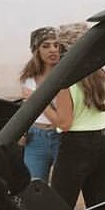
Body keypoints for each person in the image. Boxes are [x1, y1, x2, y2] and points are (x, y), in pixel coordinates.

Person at [47, 56, 105, 210]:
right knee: (98, 207)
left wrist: (44, 106)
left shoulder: (67, 85)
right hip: (104, 142)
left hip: (75, 145)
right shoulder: (104, 79)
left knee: (60, 206)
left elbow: (64, 124)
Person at [18, 27, 62, 180]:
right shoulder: (28, 79)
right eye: (46, 46)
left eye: (56, 45)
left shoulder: (65, 76)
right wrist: (22, 132)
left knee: (63, 187)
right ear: (36, 50)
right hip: (35, 137)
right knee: (33, 185)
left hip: (62, 137)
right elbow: (26, 110)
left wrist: (36, 98)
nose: (53, 50)